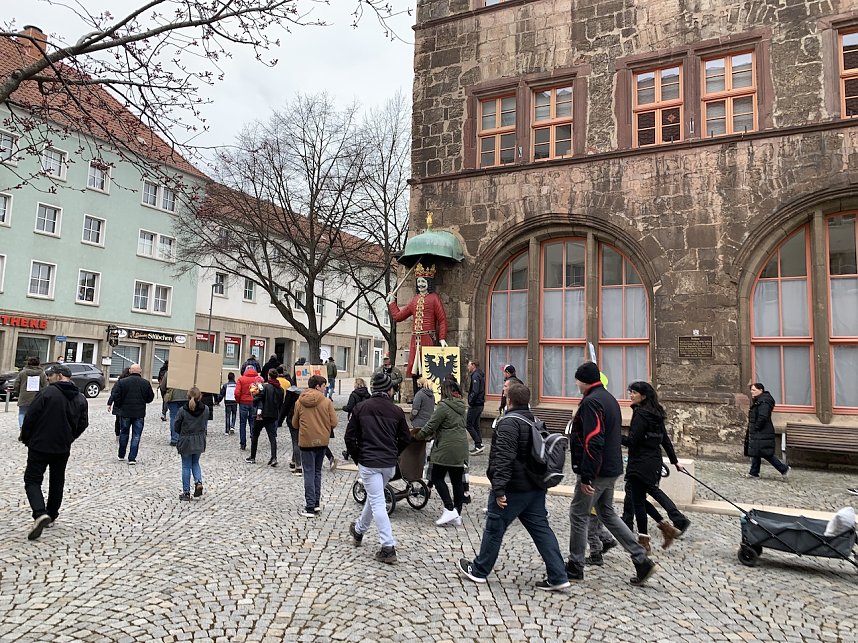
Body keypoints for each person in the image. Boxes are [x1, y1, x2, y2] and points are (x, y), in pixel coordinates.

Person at [457, 383, 570, 591]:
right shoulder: (534, 420)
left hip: (513, 488)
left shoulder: (509, 422)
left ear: (509, 400)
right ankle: (558, 575)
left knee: (494, 528)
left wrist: (499, 489)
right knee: (541, 530)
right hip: (535, 487)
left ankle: (480, 570)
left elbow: (503, 458)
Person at [566, 361, 657, 586]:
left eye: (577, 380)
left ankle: (575, 565)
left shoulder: (591, 402)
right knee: (607, 513)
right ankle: (640, 558)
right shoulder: (609, 399)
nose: (576, 384)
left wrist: (587, 475)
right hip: (611, 467)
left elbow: (592, 440)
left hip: (597, 470)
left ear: (583, 381)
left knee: (578, 514)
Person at [344, 370, 411, 564]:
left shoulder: (361, 408)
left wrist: (358, 458)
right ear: (389, 390)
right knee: (376, 498)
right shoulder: (396, 411)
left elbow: (349, 437)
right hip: (388, 464)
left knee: (378, 502)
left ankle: (388, 547)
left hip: (370, 461)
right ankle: (358, 530)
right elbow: (406, 438)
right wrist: (394, 452)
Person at [19, 363, 88, 540]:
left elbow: (30, 417)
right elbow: (83, 423)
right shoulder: (80, 398)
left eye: (50, 375)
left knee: (32, 480)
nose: (48, 378)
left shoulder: (47, 393)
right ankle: (52, 515)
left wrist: (26, 437)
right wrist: (70, 437)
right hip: (62, 446)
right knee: (57, 480)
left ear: (59, 375)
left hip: (40, 444)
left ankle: (40, 513)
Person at [622, 381, 686, 551]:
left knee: (638, 502)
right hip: (654, 462)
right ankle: (666, 528)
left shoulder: (641, 414)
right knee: (640, 499)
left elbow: (631, 441)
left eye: (634, 392)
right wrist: (674, 461)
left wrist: (613, 434)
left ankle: (644, 541)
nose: (631, 395)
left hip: (640, 463)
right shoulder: (656, 413)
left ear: (643, 396)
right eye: (631, 392)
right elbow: (664, 439)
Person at [413, 378, 468, 526]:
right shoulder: (462, 407)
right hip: (461, 447)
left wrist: (417, 436)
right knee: (457, 481)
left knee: (436, 477)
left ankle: (449, 508)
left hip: (446, 447)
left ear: (445, 392)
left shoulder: (443, 407)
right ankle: (457, 513)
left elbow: (431, 425)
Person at [387, 263, 448, 392]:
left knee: (428, 368)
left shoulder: (434, 298)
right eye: (419, 281)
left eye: (423, 281)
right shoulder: (414, 300)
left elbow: (442, 319)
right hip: (415, 340)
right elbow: (398, 316)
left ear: (428, 282)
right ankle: (417, 396)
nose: (420, 284)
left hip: (428, 338)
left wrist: (442, 338)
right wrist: (392, 302)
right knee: (415, 370)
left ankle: (429, 396)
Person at [293, 374, 338, 517]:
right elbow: (334, 423)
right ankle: (316, 503)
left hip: (306, 441)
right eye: (324, 386)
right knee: (317, 472)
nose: (325, 389)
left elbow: (294, 423)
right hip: (322, 441)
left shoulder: (300, 401)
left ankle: (310, 506)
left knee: (309, 473)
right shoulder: (327, 402)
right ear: (318, 386)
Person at [108, 363, 155, 465]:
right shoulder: (145, 383)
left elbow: (117, 396)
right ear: (140, 371)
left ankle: (121, 454)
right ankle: (132, 458)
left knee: (124, 433)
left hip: (125, 412)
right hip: (139, 412)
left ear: (130, 371)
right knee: (136, 435)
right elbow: (150, 398)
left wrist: (120, 405)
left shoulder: (122, 382)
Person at [745, 383, 790, 479]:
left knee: (765, 453)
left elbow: (763, 416)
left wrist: (757, 427)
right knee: (756, 452)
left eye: (754, 390)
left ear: (760, 390)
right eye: (751, 390)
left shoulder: (764, 401)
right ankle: (754, 472)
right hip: (759, 431)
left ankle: (783, 468)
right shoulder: (759, 400)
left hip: (762, 431)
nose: (752, 392)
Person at [174, 386, 208, 501]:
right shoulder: (206, 409)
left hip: (186, 440)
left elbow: (176, 426)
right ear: (200, 396)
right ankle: (198, 482)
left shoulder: (182, 410)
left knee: (186, 466)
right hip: (199, 439)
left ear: (188, 396)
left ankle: (186, 492)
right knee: (195, 463)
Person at [246, 369, 284, 466]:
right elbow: (280, 403)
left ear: (269, 376)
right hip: (273, 415)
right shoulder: (280, 390)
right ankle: (274, 457)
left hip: (261, 415)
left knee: (255, 435)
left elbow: (259, 397)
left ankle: (253, 456)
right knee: (272, 437)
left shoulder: (264, 387)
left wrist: (254, 400)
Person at [234, 365, 263, 450]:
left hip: (243, 403)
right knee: (252, 423)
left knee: (242, 424)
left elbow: (237, 393)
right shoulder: (257, 379)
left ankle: (243, 443)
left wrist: (238, 401)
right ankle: (253, 441)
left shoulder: (241, 379)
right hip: (254, 403)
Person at [13, 356, 47, 429]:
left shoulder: (22, 373)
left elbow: (16, 384)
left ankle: (22, 428)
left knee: (22, 413)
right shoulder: (42, 373)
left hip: (24, 397)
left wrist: (20, 391)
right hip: (37, 397)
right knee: (36, 414)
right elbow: (45, 385)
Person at [279, 383, 302, 475]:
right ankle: (293, 463)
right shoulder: (308, 392)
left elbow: (285, 407)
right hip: (304, 420)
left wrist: (280, 420)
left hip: (292, 419)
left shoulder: (291, 392)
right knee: (297, 441)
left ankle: (298, 466)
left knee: (296, 442)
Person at [466, 359, 485, 455]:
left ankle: (478, 444)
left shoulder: (476, 376)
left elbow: (475, 391)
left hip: (476, 404)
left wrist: (470, 401)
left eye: (469, 365)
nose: (468, 367)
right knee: (476, 425)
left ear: (473, 365)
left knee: (468, 424)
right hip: (479, 404)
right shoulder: (478, 374)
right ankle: (479, 445)